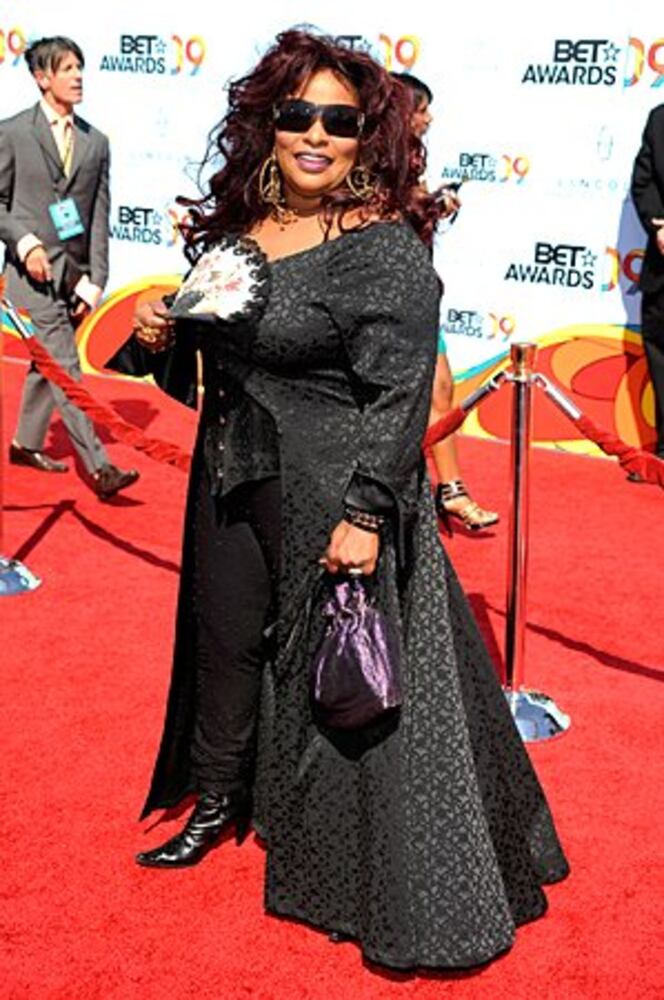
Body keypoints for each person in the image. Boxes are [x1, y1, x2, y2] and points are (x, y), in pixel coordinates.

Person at [126, 31, 568, 970]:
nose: (316, 135)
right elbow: (206, 360)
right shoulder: (243, 229)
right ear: (269, 124)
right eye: (299, 115)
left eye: (341, 120)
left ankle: (333, 857)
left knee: (337, 677)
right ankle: (218, 799)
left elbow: (402, 395)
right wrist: (162, 329)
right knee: (224, 637)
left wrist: (367, 515)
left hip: (333, 488)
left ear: (370, 136)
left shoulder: (382, 250)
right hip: (233, 469)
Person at [0, 36, 138, 499]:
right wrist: (26, 243)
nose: (78, 76)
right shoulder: (13, 133)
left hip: (75, 279)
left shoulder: (96, 142)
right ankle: (100, 468)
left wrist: (96, 281)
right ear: (42, 78)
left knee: (48, 363)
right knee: (65, 365)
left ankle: (25, 442)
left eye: (80, 67)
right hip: (32, 278)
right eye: (66, 69)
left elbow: (99, 214)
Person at [395, 71, 499, 530]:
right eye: (422, 109)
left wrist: (432, 205)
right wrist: (426, 206)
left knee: (440, 387)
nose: (429, 118)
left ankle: (451, 489)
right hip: (383, 299)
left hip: (418, 293)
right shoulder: (367, 161)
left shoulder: (412, 158)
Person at [631, 104, 664, 479]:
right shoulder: (659, 118)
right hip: (662, 267)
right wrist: (659, 226)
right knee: (661, 357)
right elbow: (644, 180)